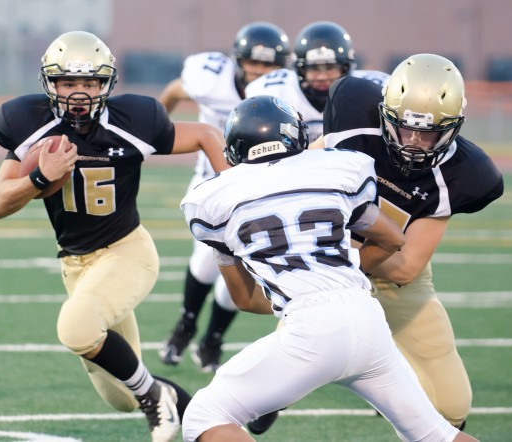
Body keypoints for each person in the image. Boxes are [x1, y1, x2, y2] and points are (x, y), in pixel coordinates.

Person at [179, 95, 479, 442]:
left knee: (203, 416)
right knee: (434, 434)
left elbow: (244, 300)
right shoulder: (335, 170)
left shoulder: (213, 200)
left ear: (235, 149)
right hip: (366, 317)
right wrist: (346, 266)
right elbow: (393, 240)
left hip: (311, 327)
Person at [0, 31, 229, 442]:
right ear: (50, 83)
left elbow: (206, 135)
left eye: (90, 82)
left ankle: (155, 397)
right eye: (68, 82)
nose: (79, 92)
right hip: (76, 266)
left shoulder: (132, 120)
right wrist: (40, 177)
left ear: (107, 84)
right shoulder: (28, 123)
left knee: (76, 329)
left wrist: (236, 197)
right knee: (122, 396)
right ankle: (204, 420)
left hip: (126, 252)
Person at [250, 53, 505, 434]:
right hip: (331, 267)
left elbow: (406, 267)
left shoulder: (467, 174)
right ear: (385, 114)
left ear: (454, 128)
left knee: (452, 405)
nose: (416, 143)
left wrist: (334, 252)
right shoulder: (353, 115)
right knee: (293, 364)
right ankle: (277, 389)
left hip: (387, 273)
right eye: (406, 129)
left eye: (430, 132)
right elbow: (301, 175)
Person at [157, 21, 292, 373]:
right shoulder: (210, 78)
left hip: (262, 191)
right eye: (253, 63)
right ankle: (184, 327)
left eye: (268, 65)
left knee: (247, 267)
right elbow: (173, 92)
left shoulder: (289, 94)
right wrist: (153, 130)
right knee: (205, 261)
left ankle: (213, 338)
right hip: (212, 182)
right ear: (238, 61)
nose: (259, 71)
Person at [245, 20, 388, 141]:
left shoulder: (372, 89)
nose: (322, 76)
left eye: (330, 67)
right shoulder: (274, 90)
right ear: (301, 69)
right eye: (314, 68)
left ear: (345, 67)